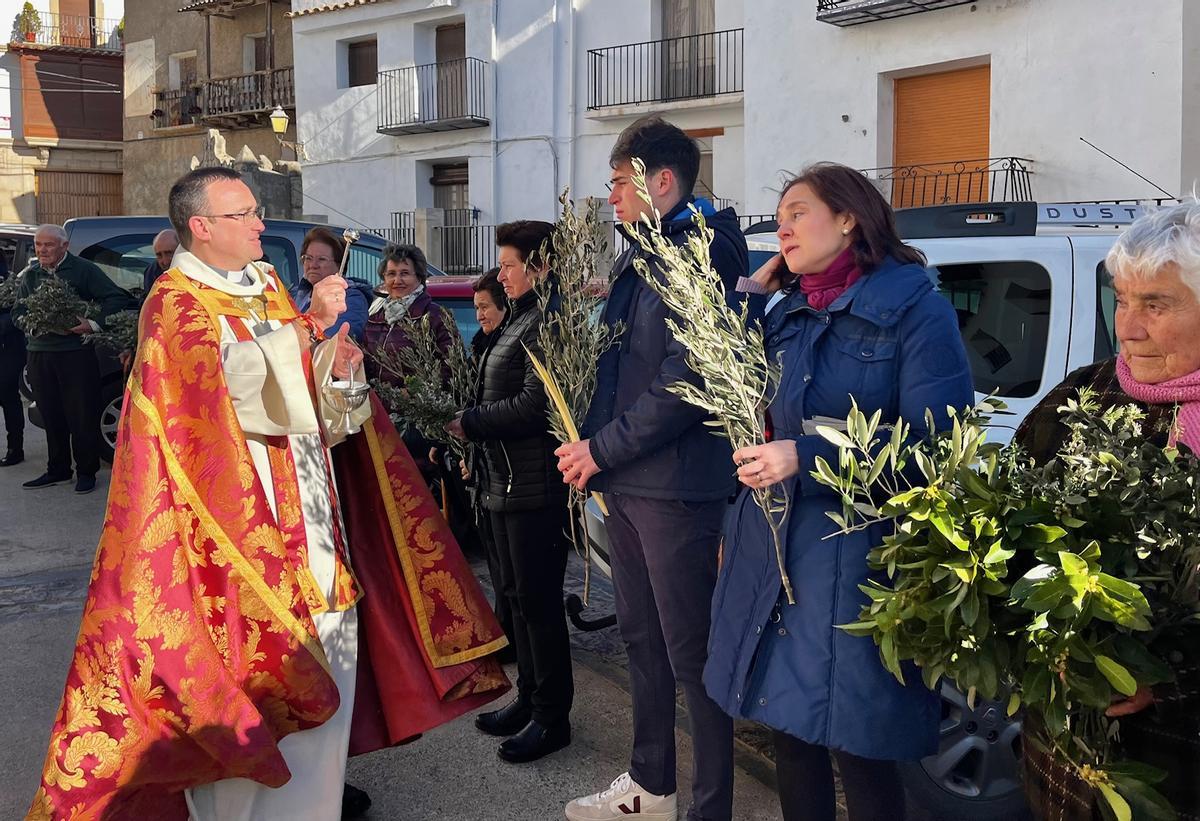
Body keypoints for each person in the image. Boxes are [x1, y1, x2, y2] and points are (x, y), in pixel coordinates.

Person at [27, 167, 509, 821]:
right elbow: (215, 404)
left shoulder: (267, 287)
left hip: (314, 533)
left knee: (322, 722)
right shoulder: (174, 303)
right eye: (244, 214)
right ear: (201, 227)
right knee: (238, 728)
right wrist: (306, 331)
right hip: (230, 561)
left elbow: (305, 404)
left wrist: (338, 374)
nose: (260, 223)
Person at [702, 163, 974, 821]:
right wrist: (746, 293)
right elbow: (722, 383)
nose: (783, 226)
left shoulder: (917, 310)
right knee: (790, 735)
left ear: (849, 217)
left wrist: (807, 454)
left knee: (862, 748)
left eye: (798, 211)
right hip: (778, 556)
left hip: (863, 565)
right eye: (780, 214)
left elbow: (940, 447)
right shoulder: (788, 311)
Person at [557, 115, 748, 821]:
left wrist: (600, 448)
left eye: (618, 181)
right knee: (641, 638)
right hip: (633, 481)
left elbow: (685, 379)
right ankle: (651, 784)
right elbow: (628, 366)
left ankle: (711, 806)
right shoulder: (645, 251)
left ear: (658, 179)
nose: (610, 195)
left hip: (676, 487)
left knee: (691, 653)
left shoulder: (703, 249)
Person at [1013, 201, 1200, 817]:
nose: (1128, 327)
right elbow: (1005, 525)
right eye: (1121, 300)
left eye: (1156, 304)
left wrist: (1164, 676)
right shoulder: (1080, 396)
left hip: (1179, 761)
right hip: (1062, 753)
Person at [447, 221, 575, 764]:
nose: (501, 274)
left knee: (540, 604)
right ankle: (529, 697)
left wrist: (468, 423)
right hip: (503, 483)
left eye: (509, 265)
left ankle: (553, 717)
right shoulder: (519, 319)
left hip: (535, 488)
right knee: (517, 601)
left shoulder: (549, 322)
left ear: (539, 266)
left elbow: (534, 406)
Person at [14, 224, 136, 494]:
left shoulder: (83, 270)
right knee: (51, 413)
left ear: (64, 246)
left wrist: (92, 323)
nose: (42, 249)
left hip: (75, 356)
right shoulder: (32, 275)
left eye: (48, 245)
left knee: (82, 414)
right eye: (38, 244)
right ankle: (57, 469)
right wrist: (32, 325)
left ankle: (86, 472)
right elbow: (18, 312)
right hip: (40, 354)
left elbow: (116, 297)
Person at [363, 243, 454, 480]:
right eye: (391, 274)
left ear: (419, 277)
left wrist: (415, 393)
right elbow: (368, 361)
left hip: (418, 425)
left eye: (405, 273)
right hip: (380, 417)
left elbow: (449, 367)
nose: (397, 280)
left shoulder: (433, 315)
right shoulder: (376, 315)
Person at [289, 226, 368, 339]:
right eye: (308, 258)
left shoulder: (352, 299)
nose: (313, 265)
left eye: (321, 259)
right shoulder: (295, 293)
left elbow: (333, 339)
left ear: (339, 266)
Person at [0, 260, 24, 467]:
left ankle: (15, 448)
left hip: (9, 348)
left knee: (7, 395)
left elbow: (17, 315)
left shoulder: (10, 285)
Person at [141, 228, 179, 297]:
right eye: (159, 255)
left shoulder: (196, 268)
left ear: (179, 250)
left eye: (169, 253)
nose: (165, 261)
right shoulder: (151, 273)